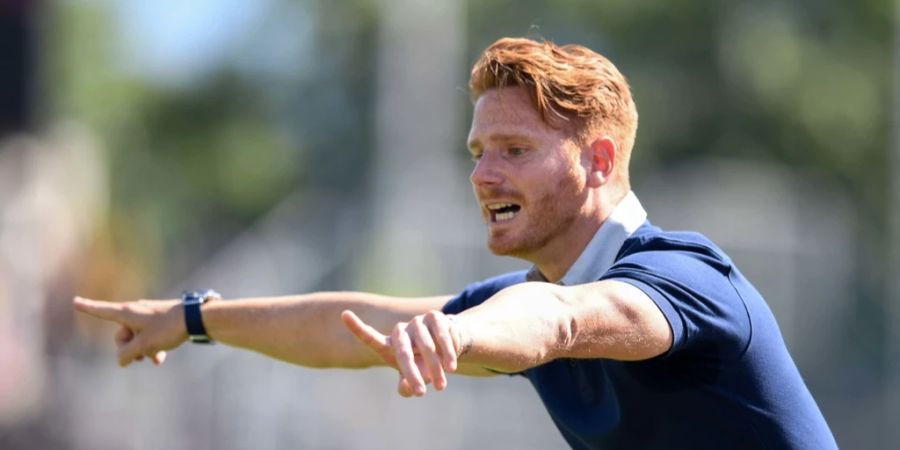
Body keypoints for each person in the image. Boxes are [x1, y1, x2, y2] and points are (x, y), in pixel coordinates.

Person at [73, 37, 837, 449]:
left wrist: (460, 331)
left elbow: (565, 323)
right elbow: (347, 329)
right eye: (477, 150)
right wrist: (198, 318)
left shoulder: (684, 276)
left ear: (598, 161)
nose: (482, 173)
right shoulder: (532, 296)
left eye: (512, 148)